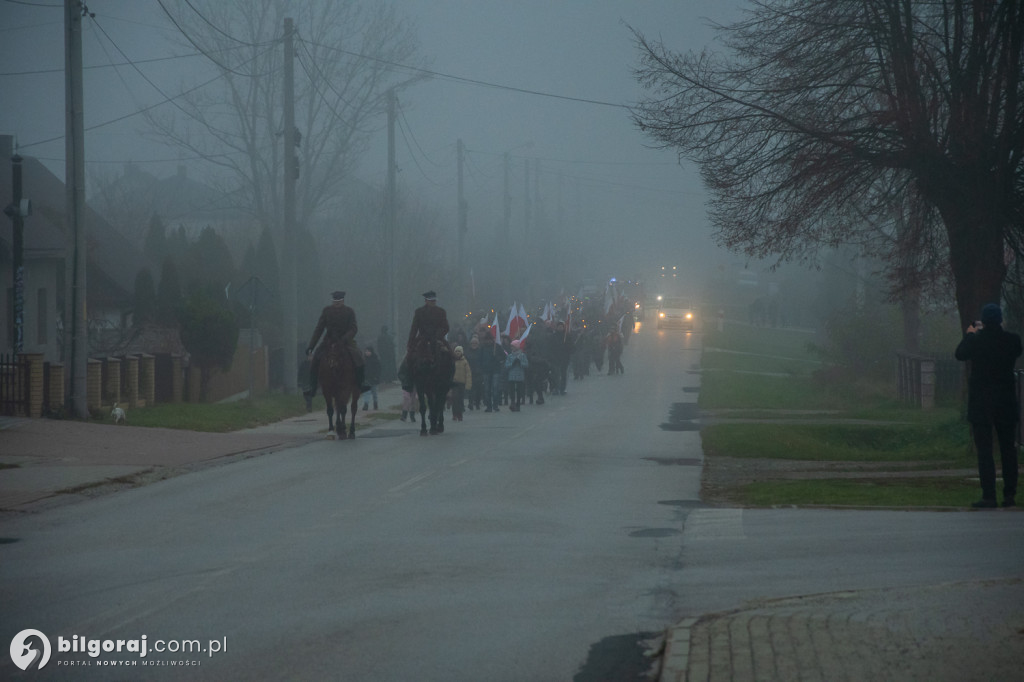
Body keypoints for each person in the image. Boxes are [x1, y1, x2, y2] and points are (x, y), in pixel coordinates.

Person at [955, 303, 1021, 508]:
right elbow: (1017, 350)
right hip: (1006, 402)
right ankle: (1009, 495)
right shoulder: (1012, 340)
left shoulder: (976, 341)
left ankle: (989, 495)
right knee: (1008, 450)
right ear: (1000, 319)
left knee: (985, 451)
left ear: (983, 321)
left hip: (981, 403)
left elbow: (960, 354)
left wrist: (970, 334)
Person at [305, 291, 369, 402]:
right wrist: (311, 346)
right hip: (329, 342)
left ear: (343, 301)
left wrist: (345, 338)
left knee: (358, 357)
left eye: (339, 302)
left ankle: (361, 383)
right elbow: (319, 329)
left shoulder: (349, 312)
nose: (337, 304)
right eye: (335, 302)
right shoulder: (326, 311)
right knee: (315, 359)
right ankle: (312, 387)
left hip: (346, 341)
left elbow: (354, 328)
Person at [407, 290, 450, 365]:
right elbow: (414, 329)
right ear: (426, 301)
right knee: (409, 357)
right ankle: (406, 374)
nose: (433, 302)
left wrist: (438, 335)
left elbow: (446, 327)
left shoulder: (441, 312)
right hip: (422, 337)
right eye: (431, 301)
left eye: (434, 301)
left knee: (450, 355)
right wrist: (410, 343)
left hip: (437, 337)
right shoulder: (419, 312)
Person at [504, 338, 529, 411]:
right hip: (511, 376)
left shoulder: (522, 355)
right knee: (511, 391)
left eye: (513, 346)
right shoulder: (510, 356)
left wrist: (520, 362)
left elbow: (526, 365)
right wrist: (512, 363)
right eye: (511, 347)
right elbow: (506, 365)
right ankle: (512, 402)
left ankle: (518, 403)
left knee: (519, 391)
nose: (512, 348)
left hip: (520, 376)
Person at [450, 345, 472, 421]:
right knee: (454, 398)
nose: (457, 353)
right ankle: (454, 414)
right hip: (454, 383)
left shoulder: (465, 362)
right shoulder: (452, 361)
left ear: (462, 352)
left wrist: (468, 384)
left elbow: (468, 373)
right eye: (456, 351)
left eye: (459, 351)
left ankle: (460, 414)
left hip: (462, 383)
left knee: (460, 399)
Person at [361, 345, 382, 410]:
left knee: (374, 392)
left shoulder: (375, 360)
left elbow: (378, 370)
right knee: (366, 392)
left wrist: (376, 377)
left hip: (373, 379)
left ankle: (375, 403)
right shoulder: (363, 360)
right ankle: (366, 404)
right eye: (366, 351)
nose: (367, 352)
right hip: (366, 378)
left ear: (371, 352)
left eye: (368, 351)